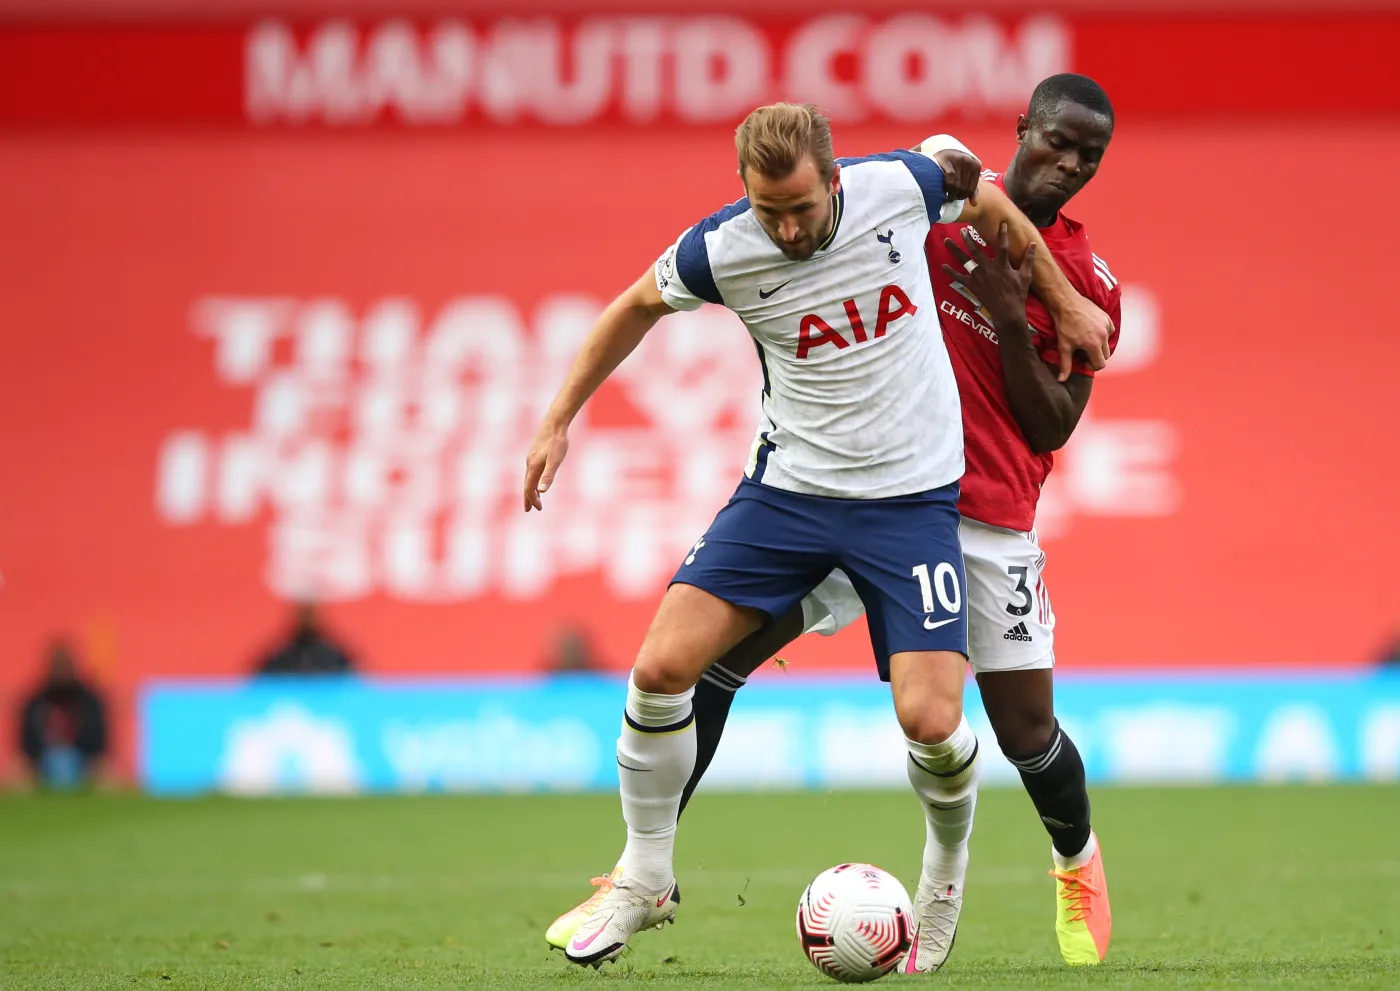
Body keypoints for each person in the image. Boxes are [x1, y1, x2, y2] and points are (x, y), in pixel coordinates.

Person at [546, 74, 1121, 969]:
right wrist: (556, 419)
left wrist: (1039, 303)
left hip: (947, 510)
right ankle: (642, 871)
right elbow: (635, 305)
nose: (787, 229)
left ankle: (1030, 866)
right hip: (807, 500)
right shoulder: (782, 232)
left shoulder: (974, 223)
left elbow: (1049, 406)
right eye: (768, 209)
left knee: (994, 728)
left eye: (802, 208)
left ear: (836, 182)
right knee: (684, 664)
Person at [18, 638, 109, 789]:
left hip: (83, 767)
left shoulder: (90, 701)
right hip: (42, 768)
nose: (61, 671)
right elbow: (25, 747)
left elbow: (100, 746)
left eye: (65, 666)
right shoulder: (35, 702)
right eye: (58, 666)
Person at [254, 603, 356, 676]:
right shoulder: (282, 652)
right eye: (304, 614)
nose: (307, 619)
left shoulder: (332, 653)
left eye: (310, 614)